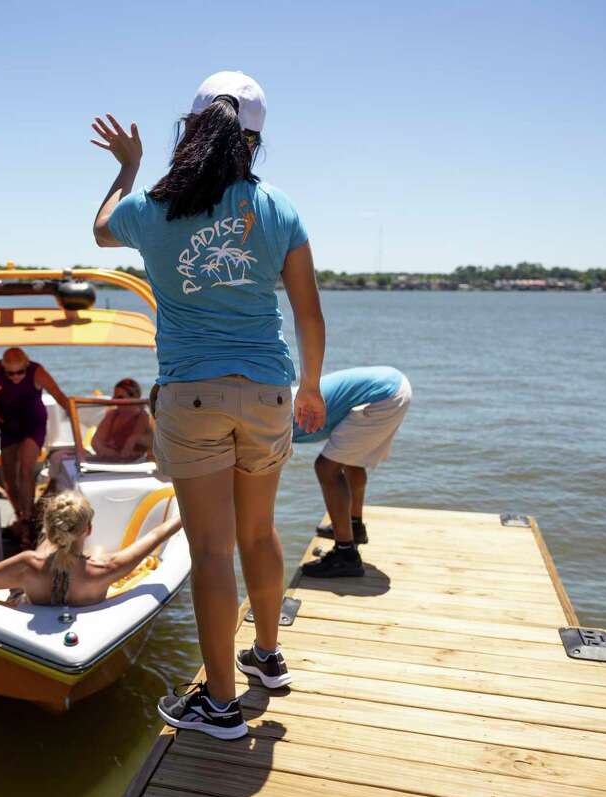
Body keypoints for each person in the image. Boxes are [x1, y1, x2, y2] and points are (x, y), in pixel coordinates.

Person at [91, 70, 326, 739]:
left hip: (192, 395)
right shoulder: (277, 207)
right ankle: (269, 657)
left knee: (213, 549)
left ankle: (220, 704)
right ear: (254, 141)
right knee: (260, 531)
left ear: (192, 131)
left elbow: (103, 228)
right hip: (268, 390)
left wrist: (129, 167)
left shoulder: (154, 207)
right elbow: (308, 315)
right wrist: (310, 386)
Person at [0, 492, 183, 606]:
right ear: (89, 529)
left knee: (44, 554)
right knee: (97, 553)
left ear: (48, 529)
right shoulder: (108, 567)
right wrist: (187, 514)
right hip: (88, 580)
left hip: (35, 585)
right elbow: (156, 535)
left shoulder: (29, 564)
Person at [293, 367, 413, 578]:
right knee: (351, 459)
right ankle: (354, 527)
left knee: (326, 468)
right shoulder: (285, 400)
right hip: (393, 386)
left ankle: (346, 555)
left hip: (382, 396)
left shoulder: (275, 419)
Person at [0, 347, 71, 528]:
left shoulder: (37, 371)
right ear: (3, 368)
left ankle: (27, 519)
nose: (15, 377)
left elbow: (59, 395)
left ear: (27, 365)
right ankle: (22, 513)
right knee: (8, 478)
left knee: (25, 471)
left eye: (20, 372)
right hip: (8, 425)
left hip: (32, 425)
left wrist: (74, 416)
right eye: (10, 373)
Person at [90, 378, 153, 462]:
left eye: (120, 397)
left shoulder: (142, 416)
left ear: (134, 398)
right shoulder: (112, 415)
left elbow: (129, 447)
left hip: (132, 465)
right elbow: (96, 441)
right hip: (111, 462)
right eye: (114, 397)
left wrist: (135, 439)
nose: (114, 400)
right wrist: (108, 452)